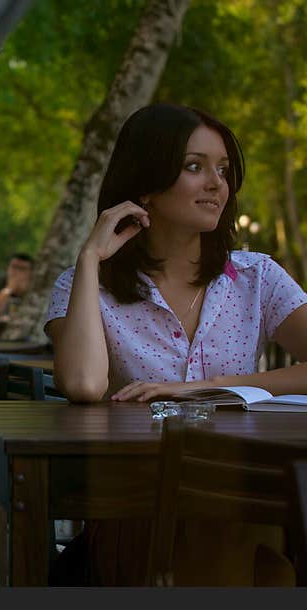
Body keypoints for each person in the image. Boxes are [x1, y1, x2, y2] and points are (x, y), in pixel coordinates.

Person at [45, 103, 307, 585]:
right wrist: (89, 258)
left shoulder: (257, 277)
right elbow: (83, 384)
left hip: (246, 497)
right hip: (137, 506)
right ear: (146, 183)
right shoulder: (84, 287)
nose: (217, 184)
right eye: (194, 167)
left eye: (223, 170)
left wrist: (213, 388)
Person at [0, 252, 33, 318]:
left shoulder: (35, 288)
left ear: (31, 272)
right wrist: (7, 291)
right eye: (14, 267)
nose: (17, 272)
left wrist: (23, 293)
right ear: (8, 268)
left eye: (22, 269)